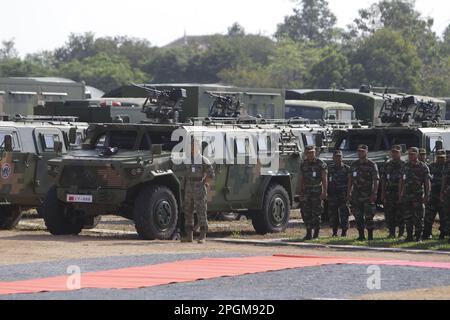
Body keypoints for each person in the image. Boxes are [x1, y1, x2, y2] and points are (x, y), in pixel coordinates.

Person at [182, 139, 215, 244]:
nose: (192, 149)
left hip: (199, 187)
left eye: (194, 146)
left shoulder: (203, 160)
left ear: (198, 147)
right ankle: (189, 235)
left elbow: (211, 174)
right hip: (189, 187)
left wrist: (204, 182)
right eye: (191, 147)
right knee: (188, 211)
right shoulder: (188, 160)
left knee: (201, 211)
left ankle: (202, 235)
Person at [347, 145, 379, 241]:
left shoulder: (371, 164)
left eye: (362, 151)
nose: (360, 153)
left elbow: (376, 180)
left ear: (366, 152)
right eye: (359, 151)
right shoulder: (354, 164)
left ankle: (370, 236)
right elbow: (350, 180)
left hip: (368, 194)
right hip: (356, 194)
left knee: (369, 216)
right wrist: (349, 192)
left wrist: (374, 192)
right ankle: (361, 235)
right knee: (358, 216)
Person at [399, 147, 430, 242]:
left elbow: (427, 182)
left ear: (417, 154)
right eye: (409, 154)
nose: (410, 156)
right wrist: (400, 194)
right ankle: (409, 236)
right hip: (407, 196)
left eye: (412, 154)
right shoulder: (405, 166)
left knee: (418, 217)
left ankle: (418, 237)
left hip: (418, 196)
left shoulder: (423, 166)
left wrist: (427, 195)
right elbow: (401, 180)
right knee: (407, 217)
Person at [299, 145, 328, 240]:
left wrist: (324, 192)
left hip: (317, 191)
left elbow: (324, 179)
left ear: (315, 152)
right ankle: (308, 233)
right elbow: (302, 179)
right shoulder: (304, 164)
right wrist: (301, 191)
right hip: (307, 191)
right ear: (306, 154)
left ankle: (316, 233)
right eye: (308, 153)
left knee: (316, 212)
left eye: (312, 152)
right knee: (306, 212)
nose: (310, 154)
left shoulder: (320, 164)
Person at [381, 145, 405, 238]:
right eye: (393, 152)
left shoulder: (404, 165)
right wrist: (382, 193)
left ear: (400, 153)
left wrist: (402, 194)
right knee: (389, 213)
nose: (394, 154)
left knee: (401, 213)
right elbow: (383, 179)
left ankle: (401, 233)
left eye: (397, 152)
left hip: (400, 192)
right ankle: (391, 233)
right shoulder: (387, 164)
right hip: (389, 193)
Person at [424, 150, 447, 240]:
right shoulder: (431, 166)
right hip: (432, 196)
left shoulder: (447, 167)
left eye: (442, 157)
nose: (440, 159)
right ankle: (427, 234)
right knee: (429, 217)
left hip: (443, 196)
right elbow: (426, 179)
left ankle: (443, 234)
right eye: (438, 157)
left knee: (444, 217)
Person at [327, 150, 350, 237]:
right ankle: (334, 232)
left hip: (343, 194)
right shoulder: (329, 169)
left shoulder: (347, 169)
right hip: (332, 194)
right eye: (336, 156)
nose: (338, 158)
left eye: (339, 156)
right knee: (333, 214)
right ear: (333, 158)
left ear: (342, 157)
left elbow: (350, 182)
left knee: (344, 213)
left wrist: (349, 194)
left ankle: (344, 232)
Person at [441, 155, 450, 244]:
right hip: (448, 192)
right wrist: (442, 192)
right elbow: (444, 179)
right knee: (447, 214)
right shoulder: (447, 164)